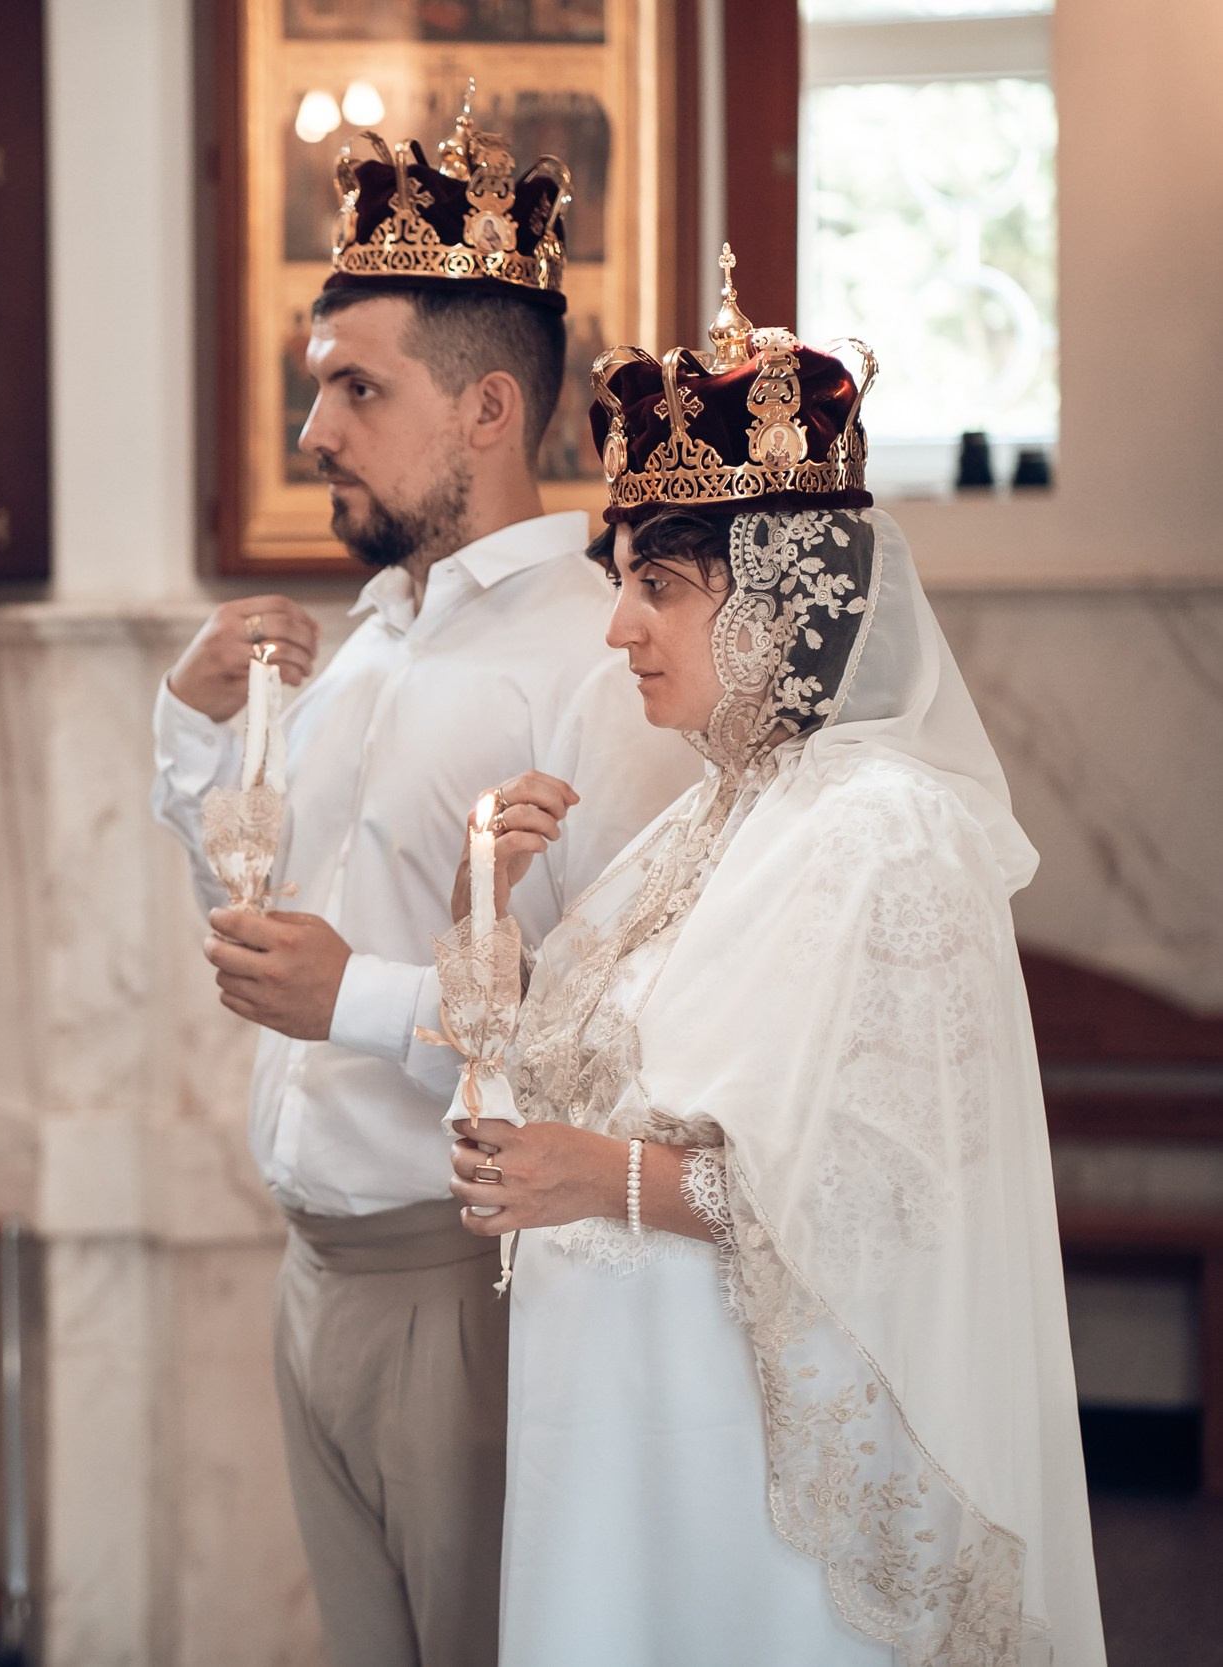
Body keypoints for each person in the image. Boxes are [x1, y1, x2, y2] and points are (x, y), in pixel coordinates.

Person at [439, 252, 1105, 1665]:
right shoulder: (699, 824)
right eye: (624, 583)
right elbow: (553, 1079)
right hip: (618, 1427)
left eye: (657, 587)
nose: (618, 627)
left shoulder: (896, 834)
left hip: (749, 1463)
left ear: (780, 600)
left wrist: (596, 1173)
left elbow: (890, 1180)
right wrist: (482, 918)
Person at [150, 102, 697, 1667]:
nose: (314, 430)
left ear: (487, 408)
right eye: (317, 386)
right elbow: (268, 907)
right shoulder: (374, 634)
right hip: (315, 1272)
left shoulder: (598, 661)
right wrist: (191, 730)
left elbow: (626, 1036)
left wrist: (362, 1000)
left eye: (354, 388)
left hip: (476, 1285)